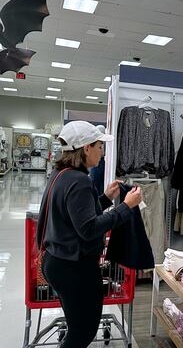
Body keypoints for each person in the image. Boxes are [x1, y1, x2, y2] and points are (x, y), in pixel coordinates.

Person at [36, 121, 142, 348]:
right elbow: (88, 229)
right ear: (86, 148)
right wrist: (126, 206)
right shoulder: (79, 180)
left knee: (76, 326)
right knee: (83, 331)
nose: (102, 153)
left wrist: (104, 199)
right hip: (74, 267)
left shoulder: (61, 174)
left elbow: (73, 217)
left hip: (57, 262)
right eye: (99, 146)